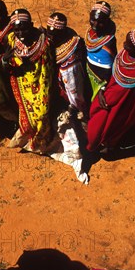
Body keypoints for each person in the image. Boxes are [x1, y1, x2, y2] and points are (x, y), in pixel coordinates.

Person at [87, 28, 135, 153]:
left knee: (107, 123)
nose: (124, 44)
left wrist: (103, 95)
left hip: (119, 102)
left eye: (128, 44)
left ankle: (100, 144)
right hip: (120, 95)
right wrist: (103, 87)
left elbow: (117, 94)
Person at [1, 9, 55, 153]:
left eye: (24, 29)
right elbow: (6, 63)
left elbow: (48, 69)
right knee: (26, 114)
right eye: (17, 29)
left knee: (42, 112)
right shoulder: (12, 40)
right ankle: (30, 137)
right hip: (21, 84)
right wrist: (5, 61)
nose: (20, 34)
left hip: (40, 82)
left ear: (31, 25)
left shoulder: (44, 42)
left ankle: (41, 142)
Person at [46, 12, 90, 183]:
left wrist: (72, 108)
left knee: (71, 125)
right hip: (59, 91)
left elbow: (74, 91)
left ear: (62, 35)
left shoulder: (69, 64)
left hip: (69, 99)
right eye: (48, 33)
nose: (49, 37)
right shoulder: (68, 40)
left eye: (52, 35)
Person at [85, 1, 117, 102]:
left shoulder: (109, 42)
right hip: (87, 75)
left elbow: (109, 67)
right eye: (93, 20)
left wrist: (102, 89)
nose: (95, 25)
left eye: (100, 22)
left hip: (100, 83)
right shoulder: (90, 33)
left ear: (107, 21)